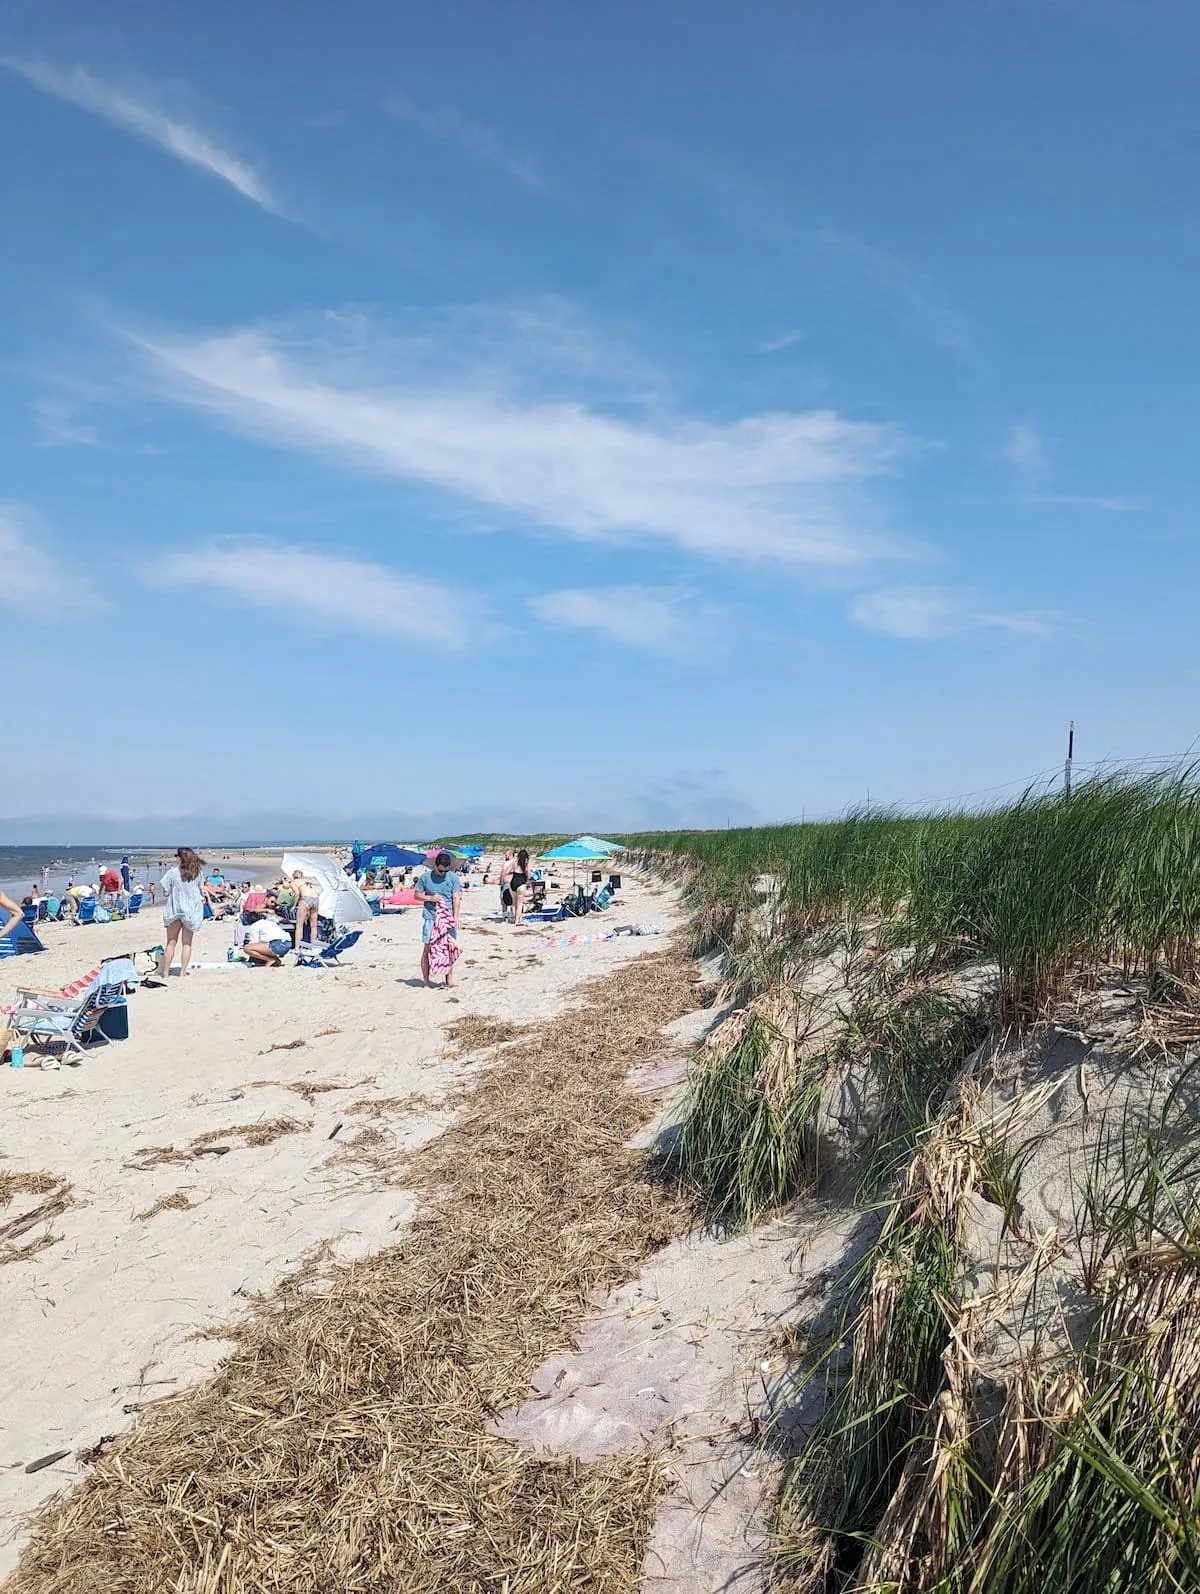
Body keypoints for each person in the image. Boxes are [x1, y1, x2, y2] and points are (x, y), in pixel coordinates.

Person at [157, 847, 210, 980]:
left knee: (170, 942)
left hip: (175, 910)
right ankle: (182, 972)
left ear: (181, 858)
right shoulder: (197, 873)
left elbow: (165, 891)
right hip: (191, 911)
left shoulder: (173, 872)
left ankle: (166, 972)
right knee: (187, 943)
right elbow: (201, 889)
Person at [415, 851, 462, 987]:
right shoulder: (425, 877)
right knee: (428, 949)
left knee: (449, 949)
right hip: (431, 917)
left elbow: (456, 897)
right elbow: (417, 895)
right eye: (440, 870)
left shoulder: (453, 878)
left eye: (445, 871)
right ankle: (426, 981)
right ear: (435, 866)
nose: (442, 873)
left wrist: (456, 917)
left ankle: (449, 980)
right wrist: (430, 898)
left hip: (447, 918)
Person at [291, 868, 322, 948]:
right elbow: (319, 891)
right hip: (315, 899)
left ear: (293, 876)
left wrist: (294, 905)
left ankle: (297, 947)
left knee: (299, 925)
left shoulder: (294, 882)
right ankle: (313, 946)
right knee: (314, 926)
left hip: (305, 899)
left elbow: (297, 893)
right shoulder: (307, 882)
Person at [510, 848, 532, 927]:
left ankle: (515, 918)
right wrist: (528, 881)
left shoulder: (515, 862)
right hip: (521, 882)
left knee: (514, 903)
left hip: (513, 881)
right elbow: (529, 875)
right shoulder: (526, 864)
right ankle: (517, 921)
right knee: (520, 904)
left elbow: (511, 871)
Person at [498, 849, 516, 919]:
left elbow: (503, 873)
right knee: (513, 900)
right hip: (514, 883)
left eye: (506, 855)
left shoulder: (506, 863)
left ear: (510, 855)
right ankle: (512, 914)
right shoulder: (516, 862)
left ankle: (505, 914)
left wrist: (501, 882)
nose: (505, 856)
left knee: (503, 900)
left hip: (507, 883)